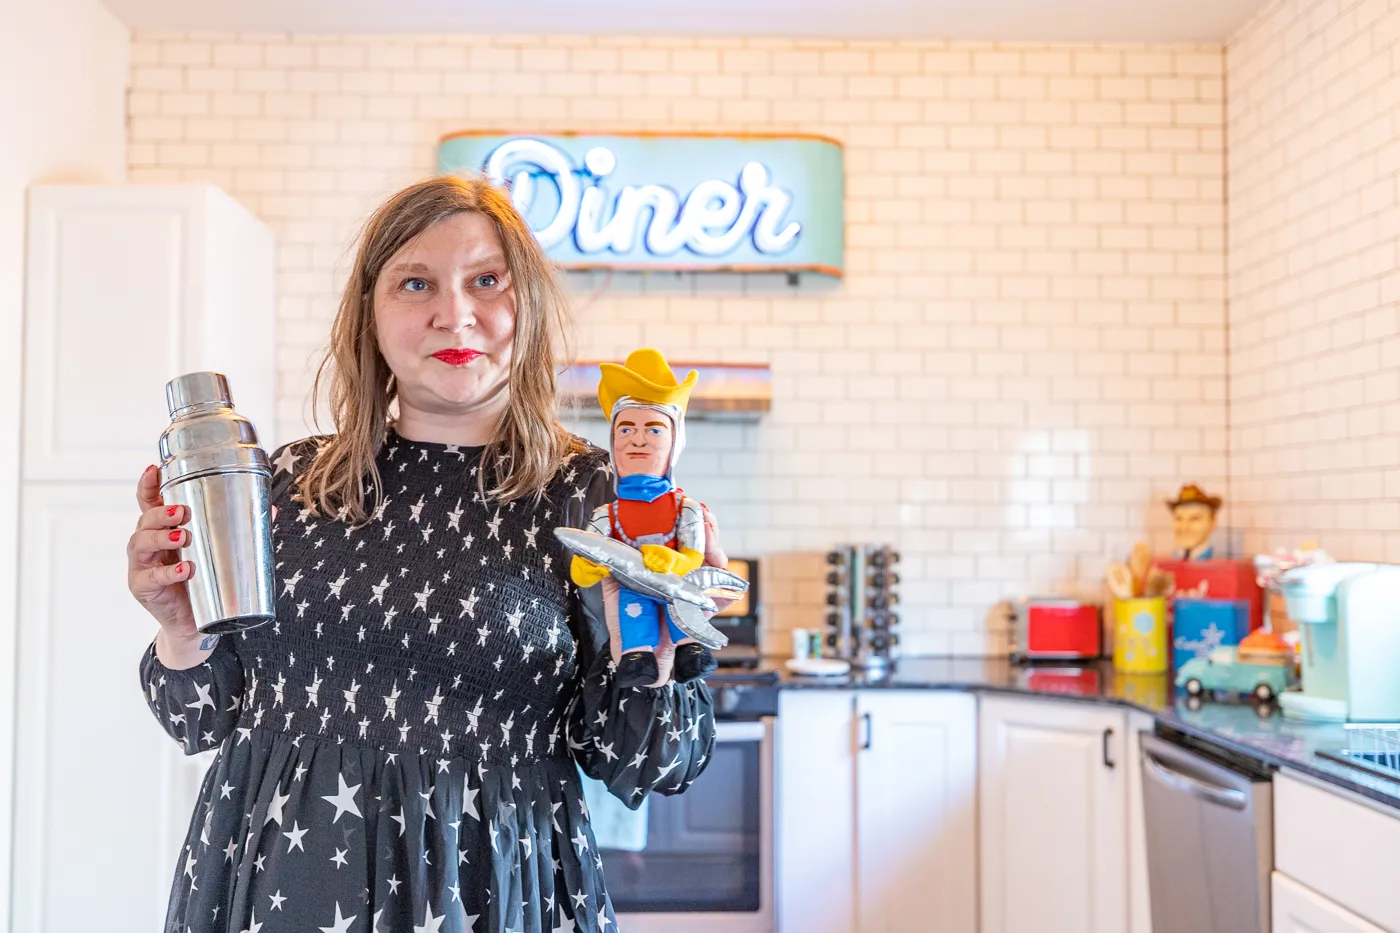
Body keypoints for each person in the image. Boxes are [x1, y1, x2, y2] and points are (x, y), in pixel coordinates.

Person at [126, 176, 722, 933]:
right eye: (416, 282)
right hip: (277, 886)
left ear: (528, 308)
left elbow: (655, 764)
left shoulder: (593, 497)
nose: (455, 314)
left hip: (490, 894)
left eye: (486, 281)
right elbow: (199, 720)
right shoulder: (285, 482)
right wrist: (182, 629)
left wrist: (660, 650)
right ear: (369, 314)